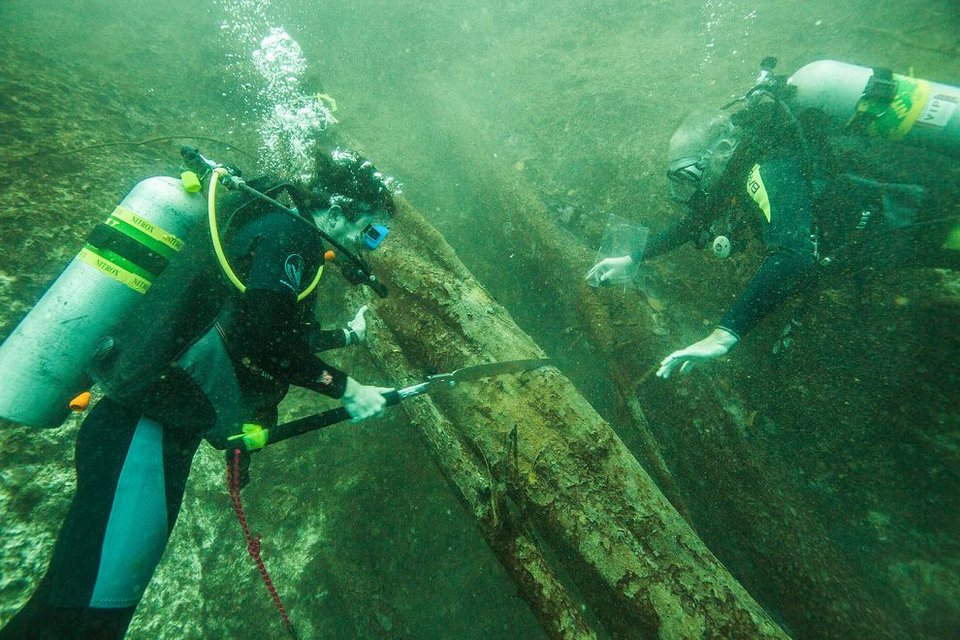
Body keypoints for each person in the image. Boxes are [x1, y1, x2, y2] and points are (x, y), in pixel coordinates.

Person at [0, 147, 398, 639]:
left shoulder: (276, 234)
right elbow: (262, 335)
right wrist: (344, 387)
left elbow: (270, 328)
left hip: (146, 432)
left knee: (81, 603)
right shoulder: (292, 236)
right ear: (336, 212)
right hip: (143, 435)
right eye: (373, 232)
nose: (372, 248)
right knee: (89, 614)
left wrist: (347, 340)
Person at [587, 92, 958, 379]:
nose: (689, 192)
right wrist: (635, 257)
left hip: (920, 219)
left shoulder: (764, 173)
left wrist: (723, 335)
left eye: (686, 177)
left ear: (721, 152)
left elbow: (793, 256)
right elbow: (693, 222)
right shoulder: (743, 172)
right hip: (902, 230)